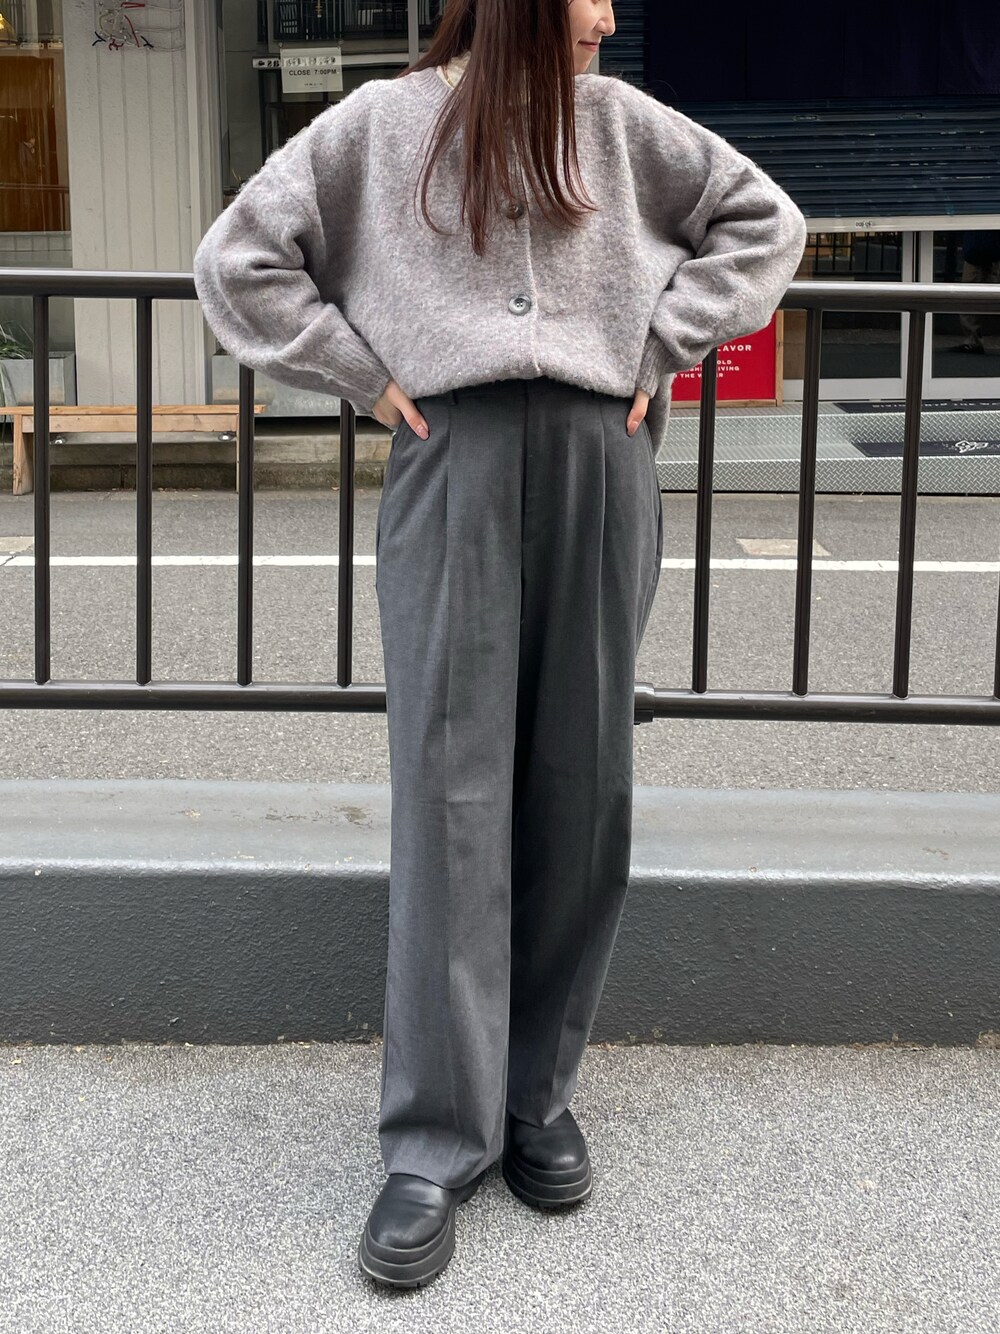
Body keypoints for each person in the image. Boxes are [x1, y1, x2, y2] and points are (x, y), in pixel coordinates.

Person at [192, 0, 808, 1291]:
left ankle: (538, 1095)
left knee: (584, 788)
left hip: (599, 462)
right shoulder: (385, 126)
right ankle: (433, 1140)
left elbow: (767, 223)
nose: (610, 14)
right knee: (448, 792)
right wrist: (362, 373)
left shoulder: (620, 126)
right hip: (450, 458)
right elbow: (239, 256)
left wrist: (658, 341)